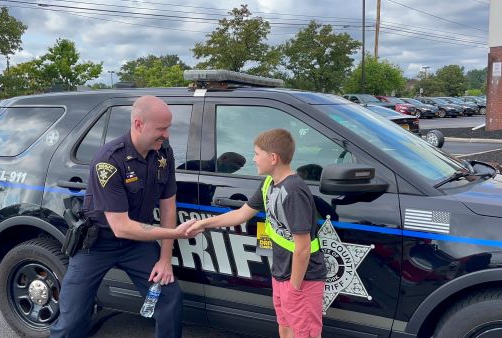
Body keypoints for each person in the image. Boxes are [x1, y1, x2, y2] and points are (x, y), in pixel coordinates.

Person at [50, 96, 199, 338]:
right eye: (161, 129)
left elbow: (168, 206)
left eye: (168, 128)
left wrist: (165, 259)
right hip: (97, 244)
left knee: (169, 300)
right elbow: (121, 227)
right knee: (72, 321)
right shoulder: (109, 161)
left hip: (137, 245)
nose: (167, 134)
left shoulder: (164, 153)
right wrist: (176, 233)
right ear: (139, 124)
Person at [186, 128, 327, 338]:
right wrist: (203, 224)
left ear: (273, 158)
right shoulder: (269, 183)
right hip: (282, 274)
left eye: (256, 154)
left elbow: (303, 249)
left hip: (302, 280)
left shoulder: (294, 191)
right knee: (285, 327)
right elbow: (241, 214)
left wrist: (295, 289)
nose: (253, 159)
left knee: (303, 333)